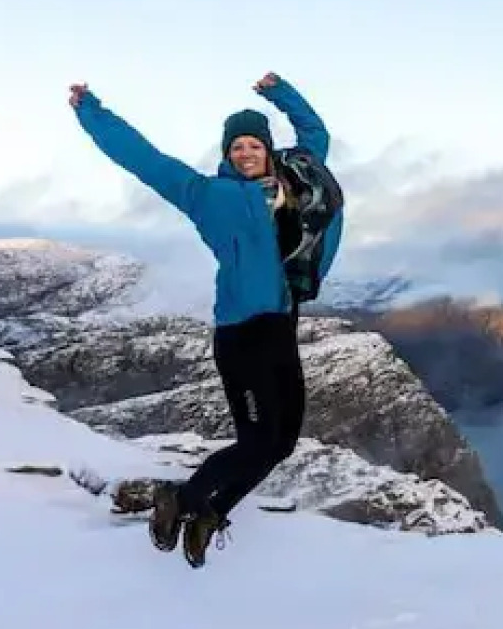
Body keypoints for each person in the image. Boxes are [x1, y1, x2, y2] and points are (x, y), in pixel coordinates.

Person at [67, 73, 341, 569]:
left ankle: (212, 511)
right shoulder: (207, 195)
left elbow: (316, 133)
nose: (245, 152)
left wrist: (280, 93)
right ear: (226, 153)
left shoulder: (297, 180)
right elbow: (143, 159)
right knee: (256, 440)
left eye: (254, 143)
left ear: (267, 148)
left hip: (281, 326)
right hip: (241, 336)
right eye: (236, 146)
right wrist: (91, 112)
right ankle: (181, 498)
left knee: (280, 444)